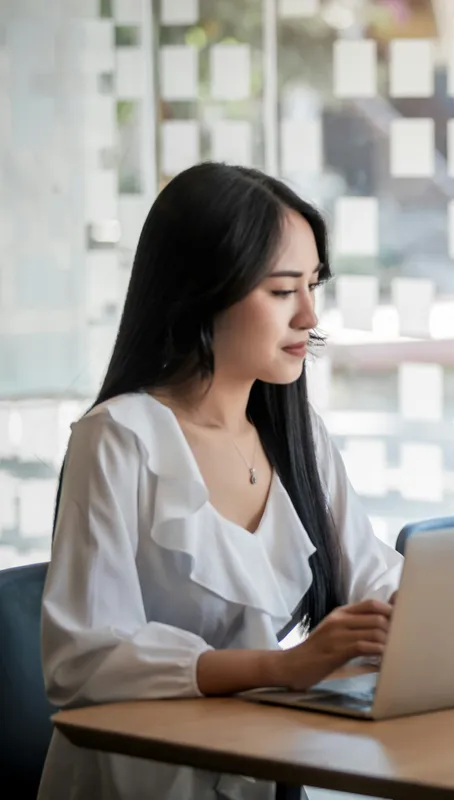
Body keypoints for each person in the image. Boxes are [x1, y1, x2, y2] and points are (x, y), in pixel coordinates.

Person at [39, 163, 404, 800]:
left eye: (313, 285)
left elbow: (370, 575)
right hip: (148, 780)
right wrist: (281, 669)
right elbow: (85, 659)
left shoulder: (296, 432)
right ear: (203, 292)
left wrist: (431, 617)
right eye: (283, 290)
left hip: (266, 759)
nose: (310, 315)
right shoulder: (119, 440)